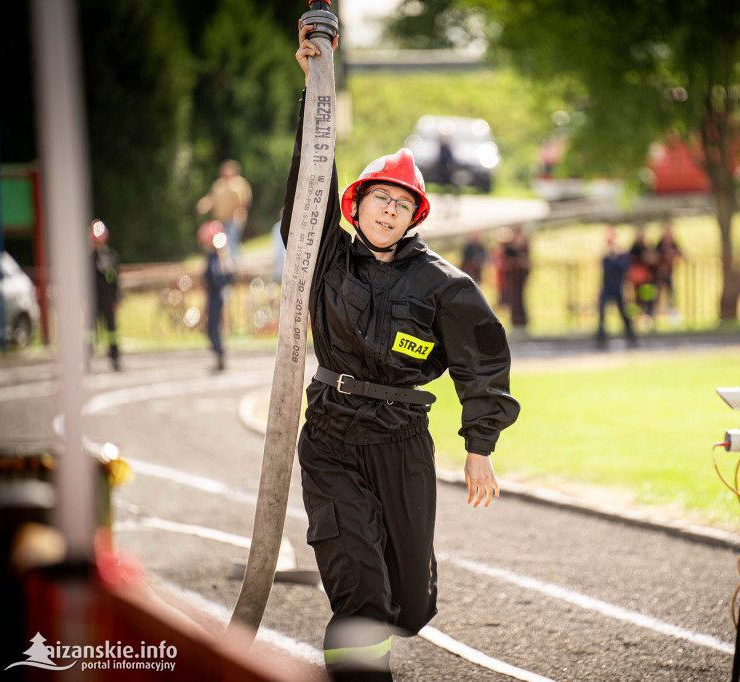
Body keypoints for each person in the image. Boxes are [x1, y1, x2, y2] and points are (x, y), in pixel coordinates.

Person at [289, 23, 520, 681]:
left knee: (407, 604)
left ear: (413, 215)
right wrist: (315, 90)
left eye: (399, 204)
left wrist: (480, 450)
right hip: (331, 435)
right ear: (354, 204)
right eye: (376, 199)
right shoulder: (324, 254)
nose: (387, 212)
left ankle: (384, 625)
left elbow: (484, 364)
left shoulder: (442, 286)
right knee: (359, 585)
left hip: (402, 440)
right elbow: (309, 179)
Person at [197, 159, 253, 260]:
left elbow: (244, 201)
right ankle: (234, 262)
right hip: (221, 221)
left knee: (230, 241)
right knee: (224, 243)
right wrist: (204, 205)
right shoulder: (219, 185)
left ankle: (232, 267)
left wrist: (237, 213)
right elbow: (212, 198)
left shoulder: (239, 183)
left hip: (234, 219)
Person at [199, 220, 233, 372]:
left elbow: (217, 277)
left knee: (213, 328)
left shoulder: (215, 257)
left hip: (215, 296)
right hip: (213, 295)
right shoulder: (213, 257)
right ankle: (218, 355)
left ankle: (220, 356)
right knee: (211, 327)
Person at [596, 225, 637, 348]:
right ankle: (600, 337)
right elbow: (605, 270)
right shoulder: (606, 256)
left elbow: (624, 268)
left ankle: (631, 335)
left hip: (617, 287)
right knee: (602, 312)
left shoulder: (620, 255)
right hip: (607, 287)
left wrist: (616, 257)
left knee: (623, 312)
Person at [89, 219, 121, 370]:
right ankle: (86, 357)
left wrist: (116, 297)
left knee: (111, 328)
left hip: (107, 297)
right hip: (92, 298)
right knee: (89, 330)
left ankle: (114, 356)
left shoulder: (110, 256)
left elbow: (114, 278)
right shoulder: (88, 258)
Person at [654, 219, 684, 322]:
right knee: (657, 295)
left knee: (671, 294)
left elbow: (681, 254)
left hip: (669, 273)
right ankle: (654, 315)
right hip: (659, 274)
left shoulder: (673, 243)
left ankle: (672, 315)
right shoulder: (659, 244)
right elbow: (654, 256)